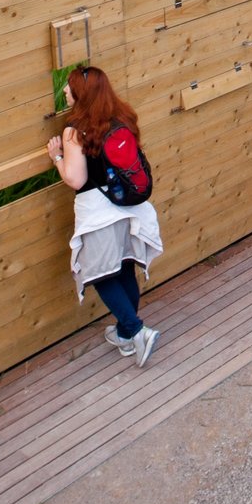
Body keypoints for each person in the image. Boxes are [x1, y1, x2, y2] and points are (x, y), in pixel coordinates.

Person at [47, 66, 164, 366]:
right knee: (124, 268)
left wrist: (58, 157)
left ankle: (138, 332)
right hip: (127, 207)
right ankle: (126, 335)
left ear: (80, 94)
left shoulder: (74, 130)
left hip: (97, 212)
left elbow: (75, 178)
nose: (64, 91)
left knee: (99, 274)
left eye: (69, 87)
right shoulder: (121, 117)